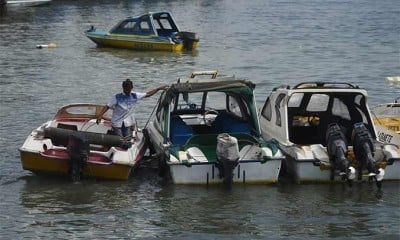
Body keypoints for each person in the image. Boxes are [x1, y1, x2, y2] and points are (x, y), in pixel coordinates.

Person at [96, 78, 167, 140]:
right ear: (123, 88)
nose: (127, 91)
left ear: (131, 88)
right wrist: (100, 116)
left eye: (128, 89)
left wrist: (158, 89)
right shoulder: (117, 97)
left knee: (128, 139)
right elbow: (107, 106)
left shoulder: (134, 95)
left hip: (128, 122)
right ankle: (113, 136)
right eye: (125, 90)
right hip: (117, 122)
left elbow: (148, 94)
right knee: (120, 140)